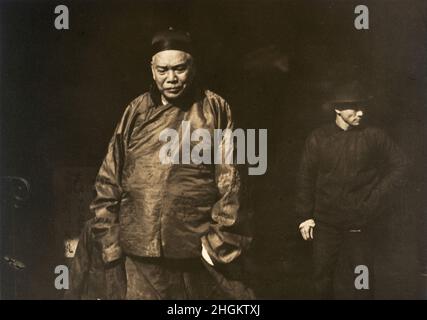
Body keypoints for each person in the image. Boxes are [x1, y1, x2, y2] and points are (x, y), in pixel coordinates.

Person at [87, 27, 254, 299]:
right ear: (152, 70)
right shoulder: (136, 110)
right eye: (163, 70)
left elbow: (232, 182)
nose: (171, 78)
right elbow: (108, 179)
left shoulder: (215, 109)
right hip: (138, 251)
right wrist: (109, 240)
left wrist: (218, 243)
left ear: (193, 67)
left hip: (194, 251)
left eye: (179, 69)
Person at [295, 81, 408, 299]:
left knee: (362, 283)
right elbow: (305, 178)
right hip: (326, 225)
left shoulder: (373, 136)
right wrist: (305, 217)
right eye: (354, 107)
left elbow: (401, 164)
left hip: (360, 225)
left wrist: (375, 198)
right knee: (322, 280)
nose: (361, 112)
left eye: (362, 106)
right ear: (337, 108)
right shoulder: (318, 138)